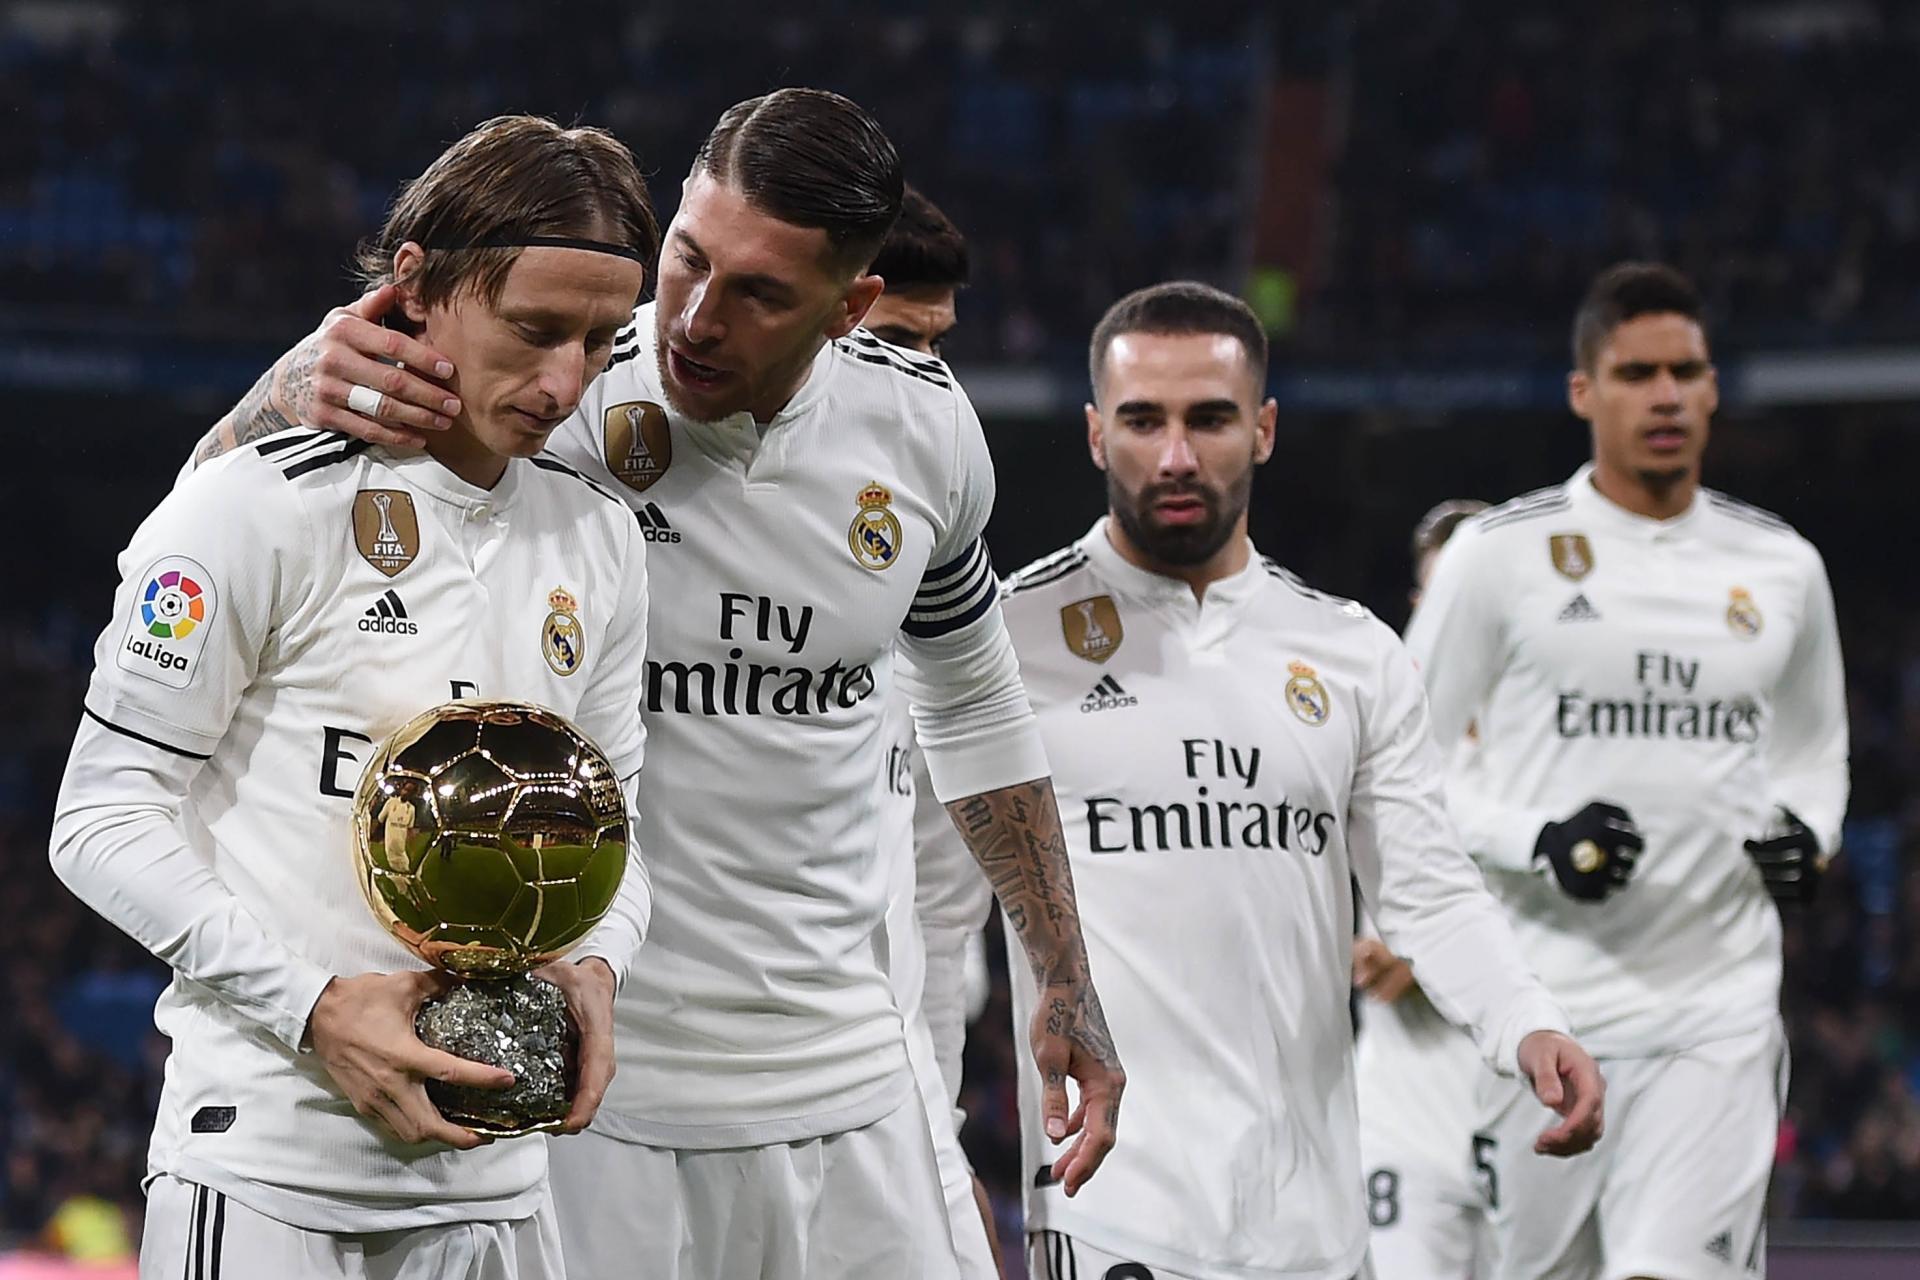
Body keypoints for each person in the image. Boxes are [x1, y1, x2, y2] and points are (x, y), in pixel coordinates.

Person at [193, 89, 1123, 1280]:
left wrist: (1063, 974)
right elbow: (205, 539)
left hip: (848, 1070)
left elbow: (976, 702)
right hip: (587, 1079)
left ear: (850, 308)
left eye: (759, 294)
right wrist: (289, 383)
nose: (692, 316)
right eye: (688, 257)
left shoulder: (923, 433)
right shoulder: (552, 388)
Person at [52, 115, 661, 1280]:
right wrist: (315, 1004)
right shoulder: (254, 504)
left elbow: (617, 828)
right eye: (535, 330)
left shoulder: (600, 539)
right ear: (415, 285)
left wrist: (597, 965)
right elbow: (100, 817)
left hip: (503, 1188)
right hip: (271, 1174)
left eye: (600, 341)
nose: (566, 382)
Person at [917, 280, 1605, 1280]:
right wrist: (931, 1149)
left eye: (1210, 419)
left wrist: (1525, 1019)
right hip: (1112, 1209)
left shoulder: (1350, 651)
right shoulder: (999, 649)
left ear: (1265, 429)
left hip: (1314, 1226)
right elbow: (934, 924)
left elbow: (1427, 889)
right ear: (1096, 434)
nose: (1177, 456)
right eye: (1143, 421)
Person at [1406, 262, 1850, 1279]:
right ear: (1583, 390)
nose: (1665, 396)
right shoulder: (1498, 556)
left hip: (1718, 1011)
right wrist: (1539, 839)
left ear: (1714, 388)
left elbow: (1814, 748)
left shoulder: (1783, 566)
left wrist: (1809, 831)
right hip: (1543, 1011)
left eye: (1685, 372)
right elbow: (1404, 776)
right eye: (1637, 373)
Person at [862, 183, 1005, 1278]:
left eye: (936, 346)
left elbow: (944, 920)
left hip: (871, 1079)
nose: (925, 378)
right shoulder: (633, 488)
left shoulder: (937, 596)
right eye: (892, 341)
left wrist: (941, 1148)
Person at [1351, 498, 1497, 1280]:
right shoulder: (1377, 738)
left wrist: (1431, 957)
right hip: (1404, 1120)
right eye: (1442, 599)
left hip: (1529, 1112)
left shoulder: (1562, 753)